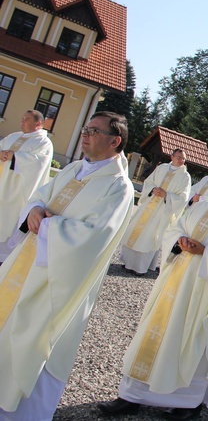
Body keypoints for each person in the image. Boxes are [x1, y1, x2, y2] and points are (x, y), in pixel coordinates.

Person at [0, 111, 134, 420]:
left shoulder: (119, 187)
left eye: (94, 131)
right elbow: (40, 194)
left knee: (36, 339)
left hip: (60, 279)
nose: (85, 134)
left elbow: (95, 238)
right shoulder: (74, 168)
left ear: (115, 141)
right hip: (28, 261)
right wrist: (34, 209)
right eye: (86, 128)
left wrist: (46, 226)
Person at [99, 162, 208, 420]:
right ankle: (132, 395)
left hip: (202, 291)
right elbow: (175, 227)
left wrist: (205, 251)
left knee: (189, 341)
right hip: (175, 281)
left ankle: (186, 404)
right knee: (154, 332)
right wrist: (179, 241)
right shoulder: (202, 204)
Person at [120, 148, 191, 275]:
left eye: (183, 158)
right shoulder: (162, 168)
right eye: (179, 157)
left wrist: (166, 195)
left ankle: (140, 268)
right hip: (148, 206)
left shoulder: (185, 176)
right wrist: (152, 189)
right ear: (172, 157)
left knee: (150, 238)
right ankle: (128, 263)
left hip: (163, 211)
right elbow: (149, 182)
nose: (181, 160)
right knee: (136, 232)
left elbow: (183, 198)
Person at [0, 109, 53, 262]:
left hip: (18, 192)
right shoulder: (14, 136)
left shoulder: (43, 142)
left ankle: (4, 258)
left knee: (9, 224)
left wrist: (15, 157)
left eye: (27, 119)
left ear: (38, 124)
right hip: (2, 184)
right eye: (22, 118)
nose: (22, 121)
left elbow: (39, 162)